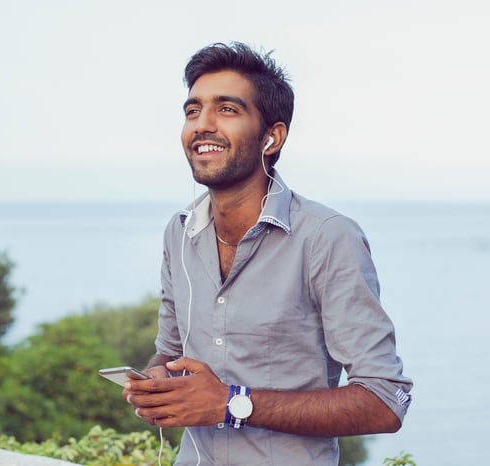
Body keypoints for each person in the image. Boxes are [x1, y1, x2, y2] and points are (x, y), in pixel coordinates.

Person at [123, 42, 412, 465]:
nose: (202, 125)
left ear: (272, 137)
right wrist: (156, 380)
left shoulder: (327, 238)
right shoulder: (179, 233)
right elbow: (168, 352)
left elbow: (386, 402)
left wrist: (231, 403)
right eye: (192, 110)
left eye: (227, 109)